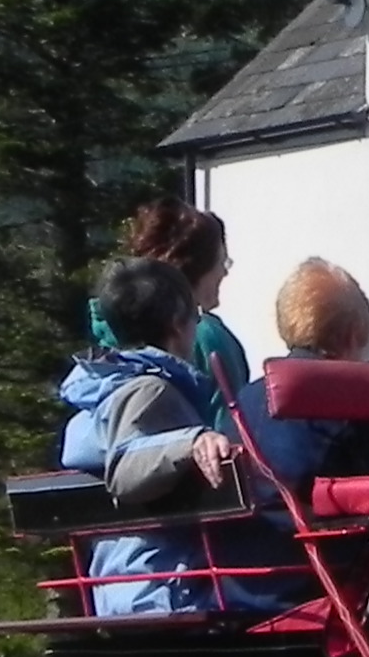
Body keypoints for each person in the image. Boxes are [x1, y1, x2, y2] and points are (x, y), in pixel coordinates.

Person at [57, 258, 251, 616]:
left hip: (116, 588)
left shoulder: (96, 403)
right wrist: (192, 442)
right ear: (178, 324)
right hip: (167, 590)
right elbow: (125, 469)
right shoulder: (150, 391)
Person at [234, 256, 369, 490]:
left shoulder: (242, 403)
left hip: (246, 527)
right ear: (354, 334)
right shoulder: (351, 405)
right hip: (320, 524)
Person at [116, 199, 253, 423]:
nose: (224, 273)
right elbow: (230, 429)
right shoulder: (208, 336)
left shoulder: (120, 328)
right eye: (221, 262)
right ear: (197, 268)